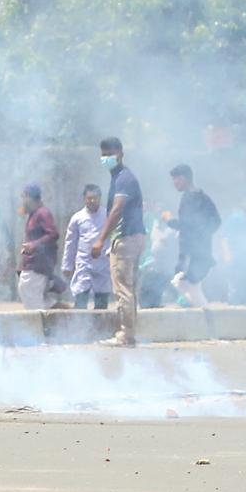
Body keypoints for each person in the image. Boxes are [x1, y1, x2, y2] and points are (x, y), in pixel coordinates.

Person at [91, 137, 146, 347]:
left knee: (122, 289)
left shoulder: (124, 178)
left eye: (110, 154)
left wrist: (100, 239)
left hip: (125, 238)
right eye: (103, 154)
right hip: (133, 238)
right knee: (129, 289)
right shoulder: (119, 177)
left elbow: (116, 210)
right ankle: (129, 333)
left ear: (120, 154)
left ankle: (126, 334)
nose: (106, 158)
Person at [165, 164, 220, 307]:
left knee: (182, 282)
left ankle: (206, 315)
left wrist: (169, 221)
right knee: (192, 286)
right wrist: (203, 236)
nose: (174, 183)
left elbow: (188, 224)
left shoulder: (192, 198)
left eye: (176, 179)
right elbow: (214, 221)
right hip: (196, 251)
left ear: (183, 178)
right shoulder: (202, 197)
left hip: (191, 252)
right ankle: (204, 318)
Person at [62, 184, 111, 309]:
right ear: (84, 198)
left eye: (95, 198)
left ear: (100, 198)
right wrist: (67, 265)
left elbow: (113, 236)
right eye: (89, 198)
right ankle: (79, 326)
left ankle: (100, 328)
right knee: (81, 297)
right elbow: (70, 243)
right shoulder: (77, 218)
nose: (92, 201)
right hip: (84, 263)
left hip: (103, 264)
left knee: (101, 301)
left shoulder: (108, 215)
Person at [16, 183, 58, 310]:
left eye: (24, 197)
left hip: (39, 264)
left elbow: (53, 234)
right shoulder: (33, 214)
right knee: (32, 295)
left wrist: (34, 245)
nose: (22, 200)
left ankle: (40, 327)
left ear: (30, 197)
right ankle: (61, 317)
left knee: (30, 295)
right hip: (32, 262)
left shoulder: (43, 213)